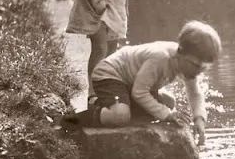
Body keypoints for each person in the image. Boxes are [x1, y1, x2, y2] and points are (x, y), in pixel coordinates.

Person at [62, 20, 222, 146]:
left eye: (204, 68)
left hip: (131, 82)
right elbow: (139, 92)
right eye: (195, 65)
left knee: (169, 102)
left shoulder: (186, 65)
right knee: (121, 116)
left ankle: (120, 104)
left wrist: (199, 119)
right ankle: (85, 115)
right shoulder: (161, 59)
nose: (198, 72)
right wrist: (166, 114)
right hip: (110, 74)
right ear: (180, 52)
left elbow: (195, 93)